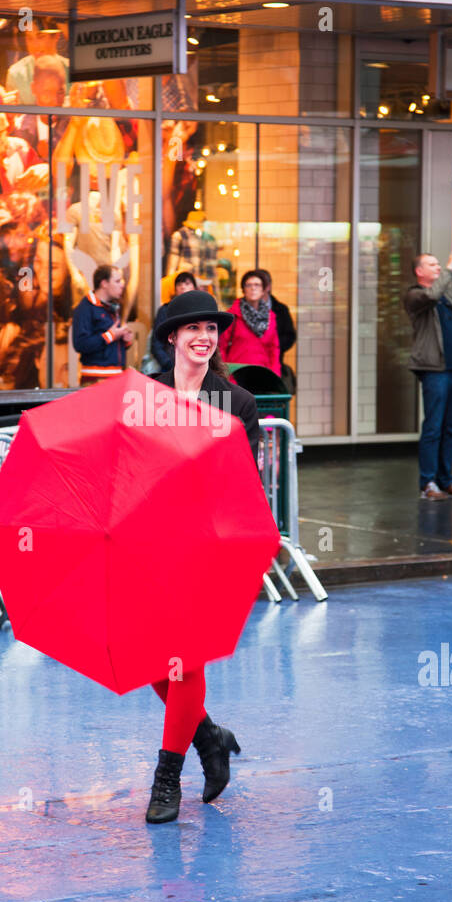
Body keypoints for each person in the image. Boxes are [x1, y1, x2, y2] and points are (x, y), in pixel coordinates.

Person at [145, 289, 262, 824]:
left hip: (209, 546)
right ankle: (209, 736)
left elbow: (248, 482)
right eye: (192, 329)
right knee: (153, 660)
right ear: (172, 337)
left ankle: (166, 777)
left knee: (184, 660)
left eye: (211, 330)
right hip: (151, 543)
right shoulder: (145, 395)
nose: (204, 338)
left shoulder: (235, 402)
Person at [404, 250, 452, 500]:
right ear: (420, 271)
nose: (438, 267)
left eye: (439, 264)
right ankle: (428, 482)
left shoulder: (448, 294)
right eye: (432, 264)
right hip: (434, 369)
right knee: (434, 427)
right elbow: (432, 294)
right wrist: (450, 269)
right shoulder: (415, 295)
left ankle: (446, 479)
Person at [70, 264, 132, 385]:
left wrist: (125, 341)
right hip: (96, 380)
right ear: (104, 283)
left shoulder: (112, 307)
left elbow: (110, 343)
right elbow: (80, 344)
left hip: (117, 376)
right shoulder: (85, 308)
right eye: (117, 281)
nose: (122, 285)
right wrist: (111, 336)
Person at [218, 269, 281, 375]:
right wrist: (223, 375)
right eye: (249, 285)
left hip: (263, 377)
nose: (253, 288)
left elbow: (274, 350)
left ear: (263, 290)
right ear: (243, 289)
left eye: (257, 285)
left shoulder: (271, 317)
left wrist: (275, 375)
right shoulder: (233, 315)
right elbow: (221, 347)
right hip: (236, 376)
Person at [257, 267, 297, 390]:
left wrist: (275, 346)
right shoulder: (240, 310)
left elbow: (290, 336)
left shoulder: (280, 309)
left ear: (267, 287)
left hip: (273, 367)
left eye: (259, 285)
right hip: (248, 369)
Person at [150, 270, 197, 371]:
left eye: (187, 283)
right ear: (175, 289)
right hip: (170, 366)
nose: (183, 287)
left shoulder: (201, 311)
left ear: (194, 287)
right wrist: (168, 364)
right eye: (179, 284)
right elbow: (156, 342)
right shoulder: (165, 310)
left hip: (195, 367)